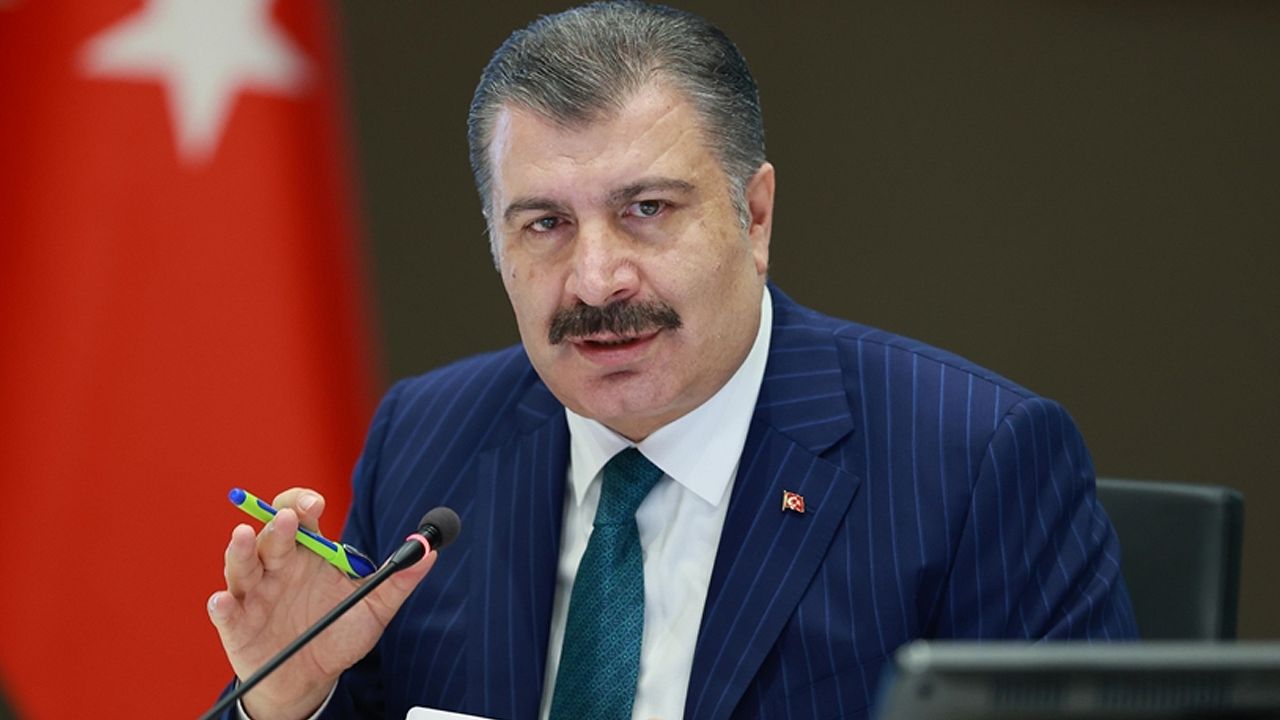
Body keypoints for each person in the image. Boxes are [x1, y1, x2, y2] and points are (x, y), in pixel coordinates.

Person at [207, 3, 1138, 719]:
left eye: (647, 210)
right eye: (546, 224)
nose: (596, 278)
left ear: (754, 217)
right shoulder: (428, 436)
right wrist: (290, 698)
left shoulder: (973, 461)